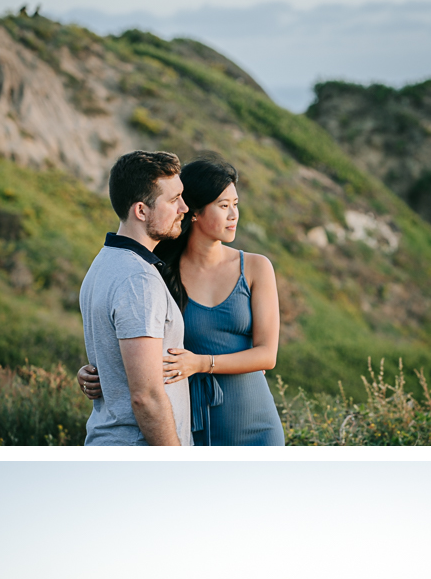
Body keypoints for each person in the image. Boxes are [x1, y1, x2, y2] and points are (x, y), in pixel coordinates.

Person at [77, 156, 285, 446]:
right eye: (223, 206)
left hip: (251, 415)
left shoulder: (256, 267)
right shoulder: (155, 273)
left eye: (235, 204)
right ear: (196, 212)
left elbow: (267, 355)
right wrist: (98, 372)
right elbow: (133, 341)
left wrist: (202, 363)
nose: (234, 214)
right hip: (186, 416)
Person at [80, 150, 193, 446]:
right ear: (141, 211)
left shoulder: (104, 262)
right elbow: (147, 397)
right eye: (173, 200)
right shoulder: (137, 279)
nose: (184, 207)